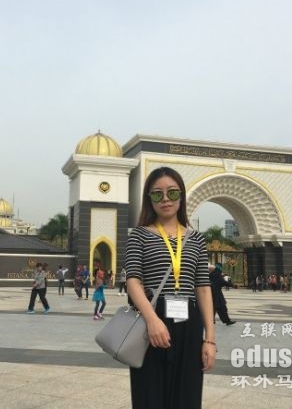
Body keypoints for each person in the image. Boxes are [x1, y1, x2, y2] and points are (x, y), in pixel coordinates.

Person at [126, 166, 216, 409]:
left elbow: (203, 288)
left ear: (181, 196)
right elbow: (133, 280)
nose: (165, 199)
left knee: (187, 397)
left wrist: (209, 340)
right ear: (149, 199)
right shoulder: (139, 235)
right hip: (151, 321)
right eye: (157, 194)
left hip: (189, 323)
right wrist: (152, 320)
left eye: (172, 192)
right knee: (150, 396)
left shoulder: (196, 239)